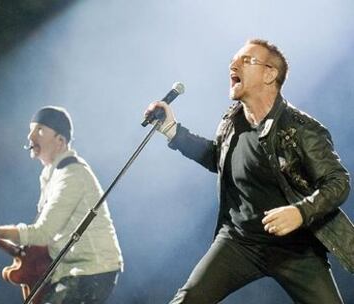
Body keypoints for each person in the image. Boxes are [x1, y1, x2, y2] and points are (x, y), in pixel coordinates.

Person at [144, 39, 354, 303]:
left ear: (270, 74)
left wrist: (301, 212)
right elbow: (219, 159)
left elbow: (338, 181)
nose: (233, 64)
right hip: (239, 241)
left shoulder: (302, 129)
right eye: (234, 59)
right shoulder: (233, 120)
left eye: (246, 60)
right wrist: (173, 131)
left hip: (296, 250)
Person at [0, 106, 123, 304]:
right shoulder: (51, 175)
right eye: (31, 129)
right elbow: (42, 242)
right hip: (72, 272)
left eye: (40, 130)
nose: (30, 136)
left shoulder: (72, 174)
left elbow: (42, 233)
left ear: (60, 141)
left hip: (93, 270)